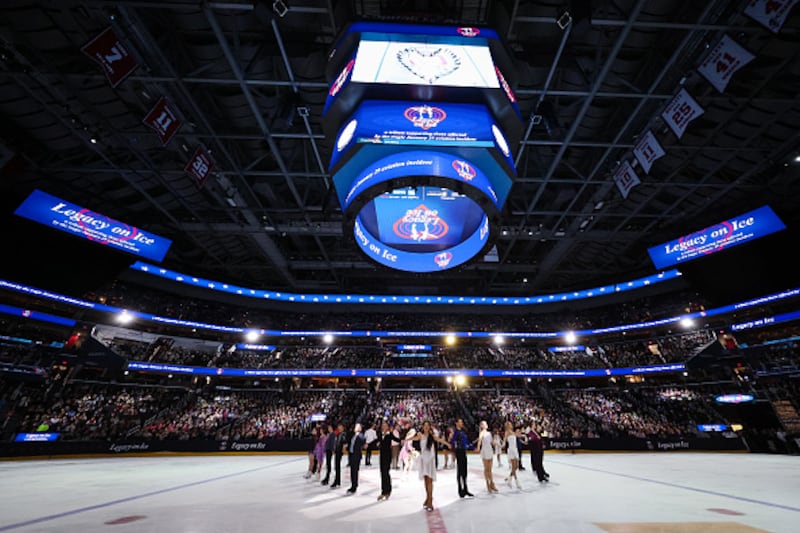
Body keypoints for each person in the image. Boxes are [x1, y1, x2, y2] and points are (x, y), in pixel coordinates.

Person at [405, 420, 451, 511]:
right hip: (423, 459)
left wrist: (447, 444)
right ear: (422, 427)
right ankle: (428, 498)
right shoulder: (420, 435)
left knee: (430, 480)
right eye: (424, 425)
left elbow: (440, 440)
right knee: (426, 480)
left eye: (427, 425)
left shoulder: (432, 436)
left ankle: (430, 500)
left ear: (430, 427)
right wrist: (405, 440)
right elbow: (413, 439)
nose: (426, 427)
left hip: (430, 459)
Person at [377, 420, 402, 501]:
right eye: (383, 425)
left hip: (387, 456)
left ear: (388, 427)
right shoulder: (380, 434)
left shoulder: (390, 434)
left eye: (385, 425)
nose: (383, 426)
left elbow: (397, 439)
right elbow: (378, 442)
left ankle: (388, 490)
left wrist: (403, 440)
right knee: (382, 473)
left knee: (386, 472)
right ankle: (383, 491)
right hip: (382, 456)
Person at [450, 418, 474, 498]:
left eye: (462, 422)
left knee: (464, 471)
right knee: (460, 471)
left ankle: (465, 489)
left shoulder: (463, 432)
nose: (462, 423)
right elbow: (452, 442)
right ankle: (461, 490)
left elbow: (466, 442)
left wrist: (472, 448)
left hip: (463, 452)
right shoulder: (456, 432)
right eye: (460, 422)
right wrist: (454, 451)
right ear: (456, 423)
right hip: (459, 452)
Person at [476, 420, 499, 493]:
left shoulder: (489, 433)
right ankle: (488, 484)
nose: (486, 425)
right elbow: (479, 441)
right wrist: (478, 448)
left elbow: (491, 442)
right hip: (485, 451)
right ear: (482, 426)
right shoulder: (481, 433)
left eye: (486, 424)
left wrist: (497, 444)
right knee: (486, 469)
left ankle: (492, 483)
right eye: (484, 424)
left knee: (490, 469)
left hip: (489, 450)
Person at [502, 422, 526, 489]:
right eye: (510, 424)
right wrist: (502, 444)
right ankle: (516, 481)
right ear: (507, 426)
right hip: (511, 450)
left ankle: (509, 478)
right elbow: (504, 440)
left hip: (515, 449)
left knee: (516, 466)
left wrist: (523, 436)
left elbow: (518, 436)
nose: (511, 425)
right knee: (513, 466)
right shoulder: (507, 432)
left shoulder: (512, 432)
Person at [346, 422, 366, 494]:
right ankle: (353, 485)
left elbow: (363, 443)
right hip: (352, 454)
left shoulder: (360, 436)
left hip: (356, 456)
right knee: (352, 471)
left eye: (357, 427)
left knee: (354, 471)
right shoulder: (354, 435)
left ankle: (354, 486)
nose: (355, 428)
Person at [330, 423, 346, 489]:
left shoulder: (343, 434)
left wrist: (343, 449)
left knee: (337, 467)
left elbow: (345, 443)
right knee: (336, 467)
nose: (339, 428)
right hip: (337, 451)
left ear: (342, 427)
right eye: (338, 426)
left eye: (340, 427)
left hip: (339, 452)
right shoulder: (338, 434)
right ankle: (337, 481)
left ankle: (337, 481)